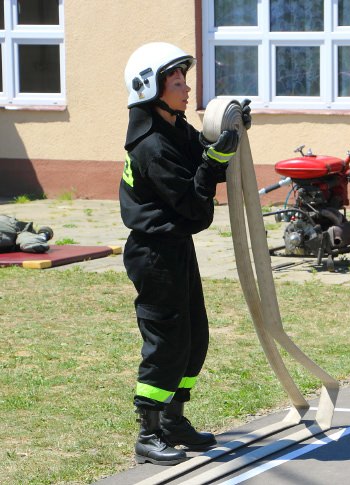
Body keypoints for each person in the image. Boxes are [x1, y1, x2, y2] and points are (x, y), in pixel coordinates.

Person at [121, 42, 250, 465]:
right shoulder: (150, 145)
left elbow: (202, 151)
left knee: (194, 337)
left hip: (175, 247)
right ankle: (149, 431)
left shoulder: (171, 126)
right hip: (154, 253)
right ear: (150, 89)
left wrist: (230, 126)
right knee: (167, 339)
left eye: (184, 79)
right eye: (176, 82)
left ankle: (175, 421)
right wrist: (214, 164)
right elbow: (194, 209)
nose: (186, 88)